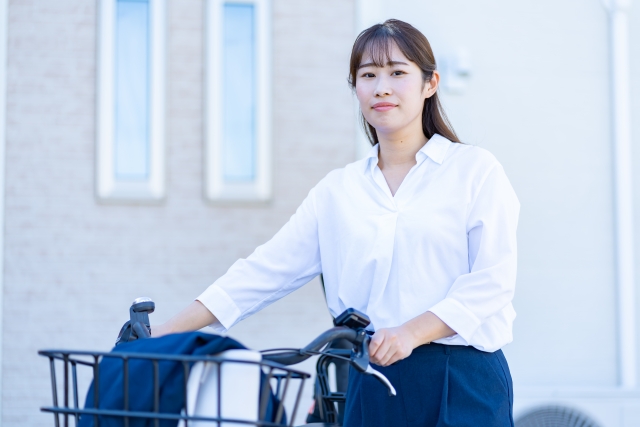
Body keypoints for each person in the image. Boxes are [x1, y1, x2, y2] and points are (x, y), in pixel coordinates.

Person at [153, 19, 519, 427]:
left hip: (462, 381)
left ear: (429, 83)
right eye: (368, 75)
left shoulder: (474, 170)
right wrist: (164, 334)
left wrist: (412, 332)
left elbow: (493, 282)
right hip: (372, 381)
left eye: (397, 72)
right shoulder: (337, 191)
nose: (382, 87)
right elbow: (263, 272)